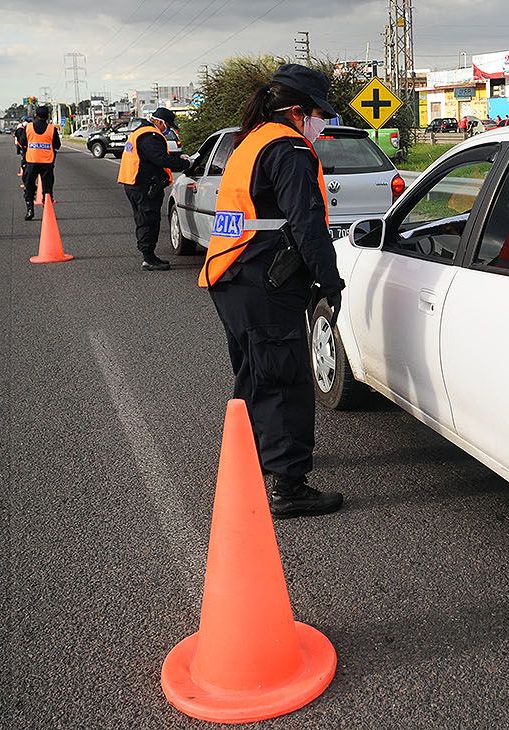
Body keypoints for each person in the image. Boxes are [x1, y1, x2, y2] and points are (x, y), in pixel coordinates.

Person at [198, 64, 345, 519]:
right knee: (285, 379)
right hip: (267, 280)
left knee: (255, 373)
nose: (323, 124)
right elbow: (307, 222)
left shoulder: (251, 140)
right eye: (321, 114)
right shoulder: (289, 149)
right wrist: (329, 279)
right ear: (299, 111)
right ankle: (288, 485)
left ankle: (255, 455)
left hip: (230, 273)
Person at [117, 107, 191, 271]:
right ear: (159, 122)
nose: (168, 129)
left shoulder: (140, 131)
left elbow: (152, 156)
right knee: (148, 220)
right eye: (167, 125)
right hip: (144, 185)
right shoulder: (150, 135)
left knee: (143, 218)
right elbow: (160, 158)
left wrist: (178, 157)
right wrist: (186, 164)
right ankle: (148, 258)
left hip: (134, 183)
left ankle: (148, 254)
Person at [17, 106, 61, 221]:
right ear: (47, 116)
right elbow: (57, 145)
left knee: (29, 186)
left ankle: (30, 209)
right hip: (47, 163)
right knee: (47, 188)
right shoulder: (51, 129)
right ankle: (47, 208)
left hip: (31, 161)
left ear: (35, 115)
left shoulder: (29, 127)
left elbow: (22, 142)